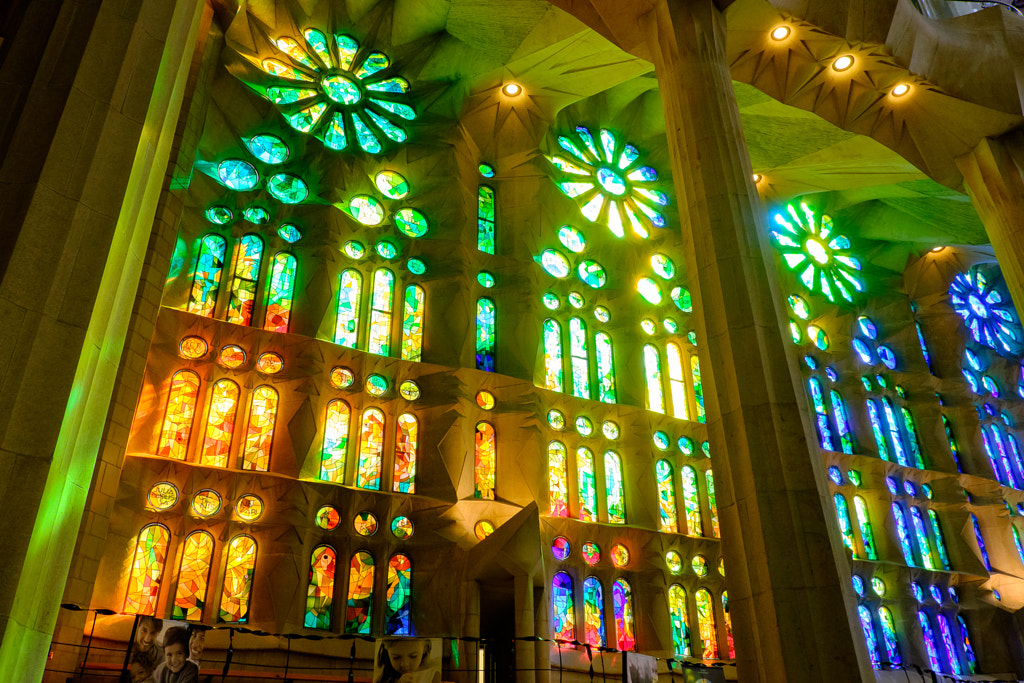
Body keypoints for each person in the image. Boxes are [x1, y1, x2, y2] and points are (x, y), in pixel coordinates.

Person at [375, 638, 441, 683]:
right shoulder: (385, 676)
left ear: (425, 649)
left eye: (413, 656)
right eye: (396, 657)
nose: (404, 664)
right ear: (387, 653)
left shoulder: (432, 675)